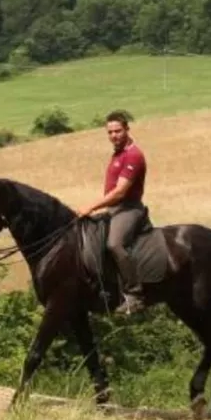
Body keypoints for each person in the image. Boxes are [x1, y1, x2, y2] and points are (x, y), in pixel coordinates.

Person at [77, 110, 148, 316]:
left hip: (129, 209)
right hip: (113, 210)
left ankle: (135, 295)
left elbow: (120, 192)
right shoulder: (118, 153)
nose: (114, 135)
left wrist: (91, 207)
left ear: (127, 129)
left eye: (118, 131)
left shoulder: (133, 155)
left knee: (114, 244)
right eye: (110, 132)